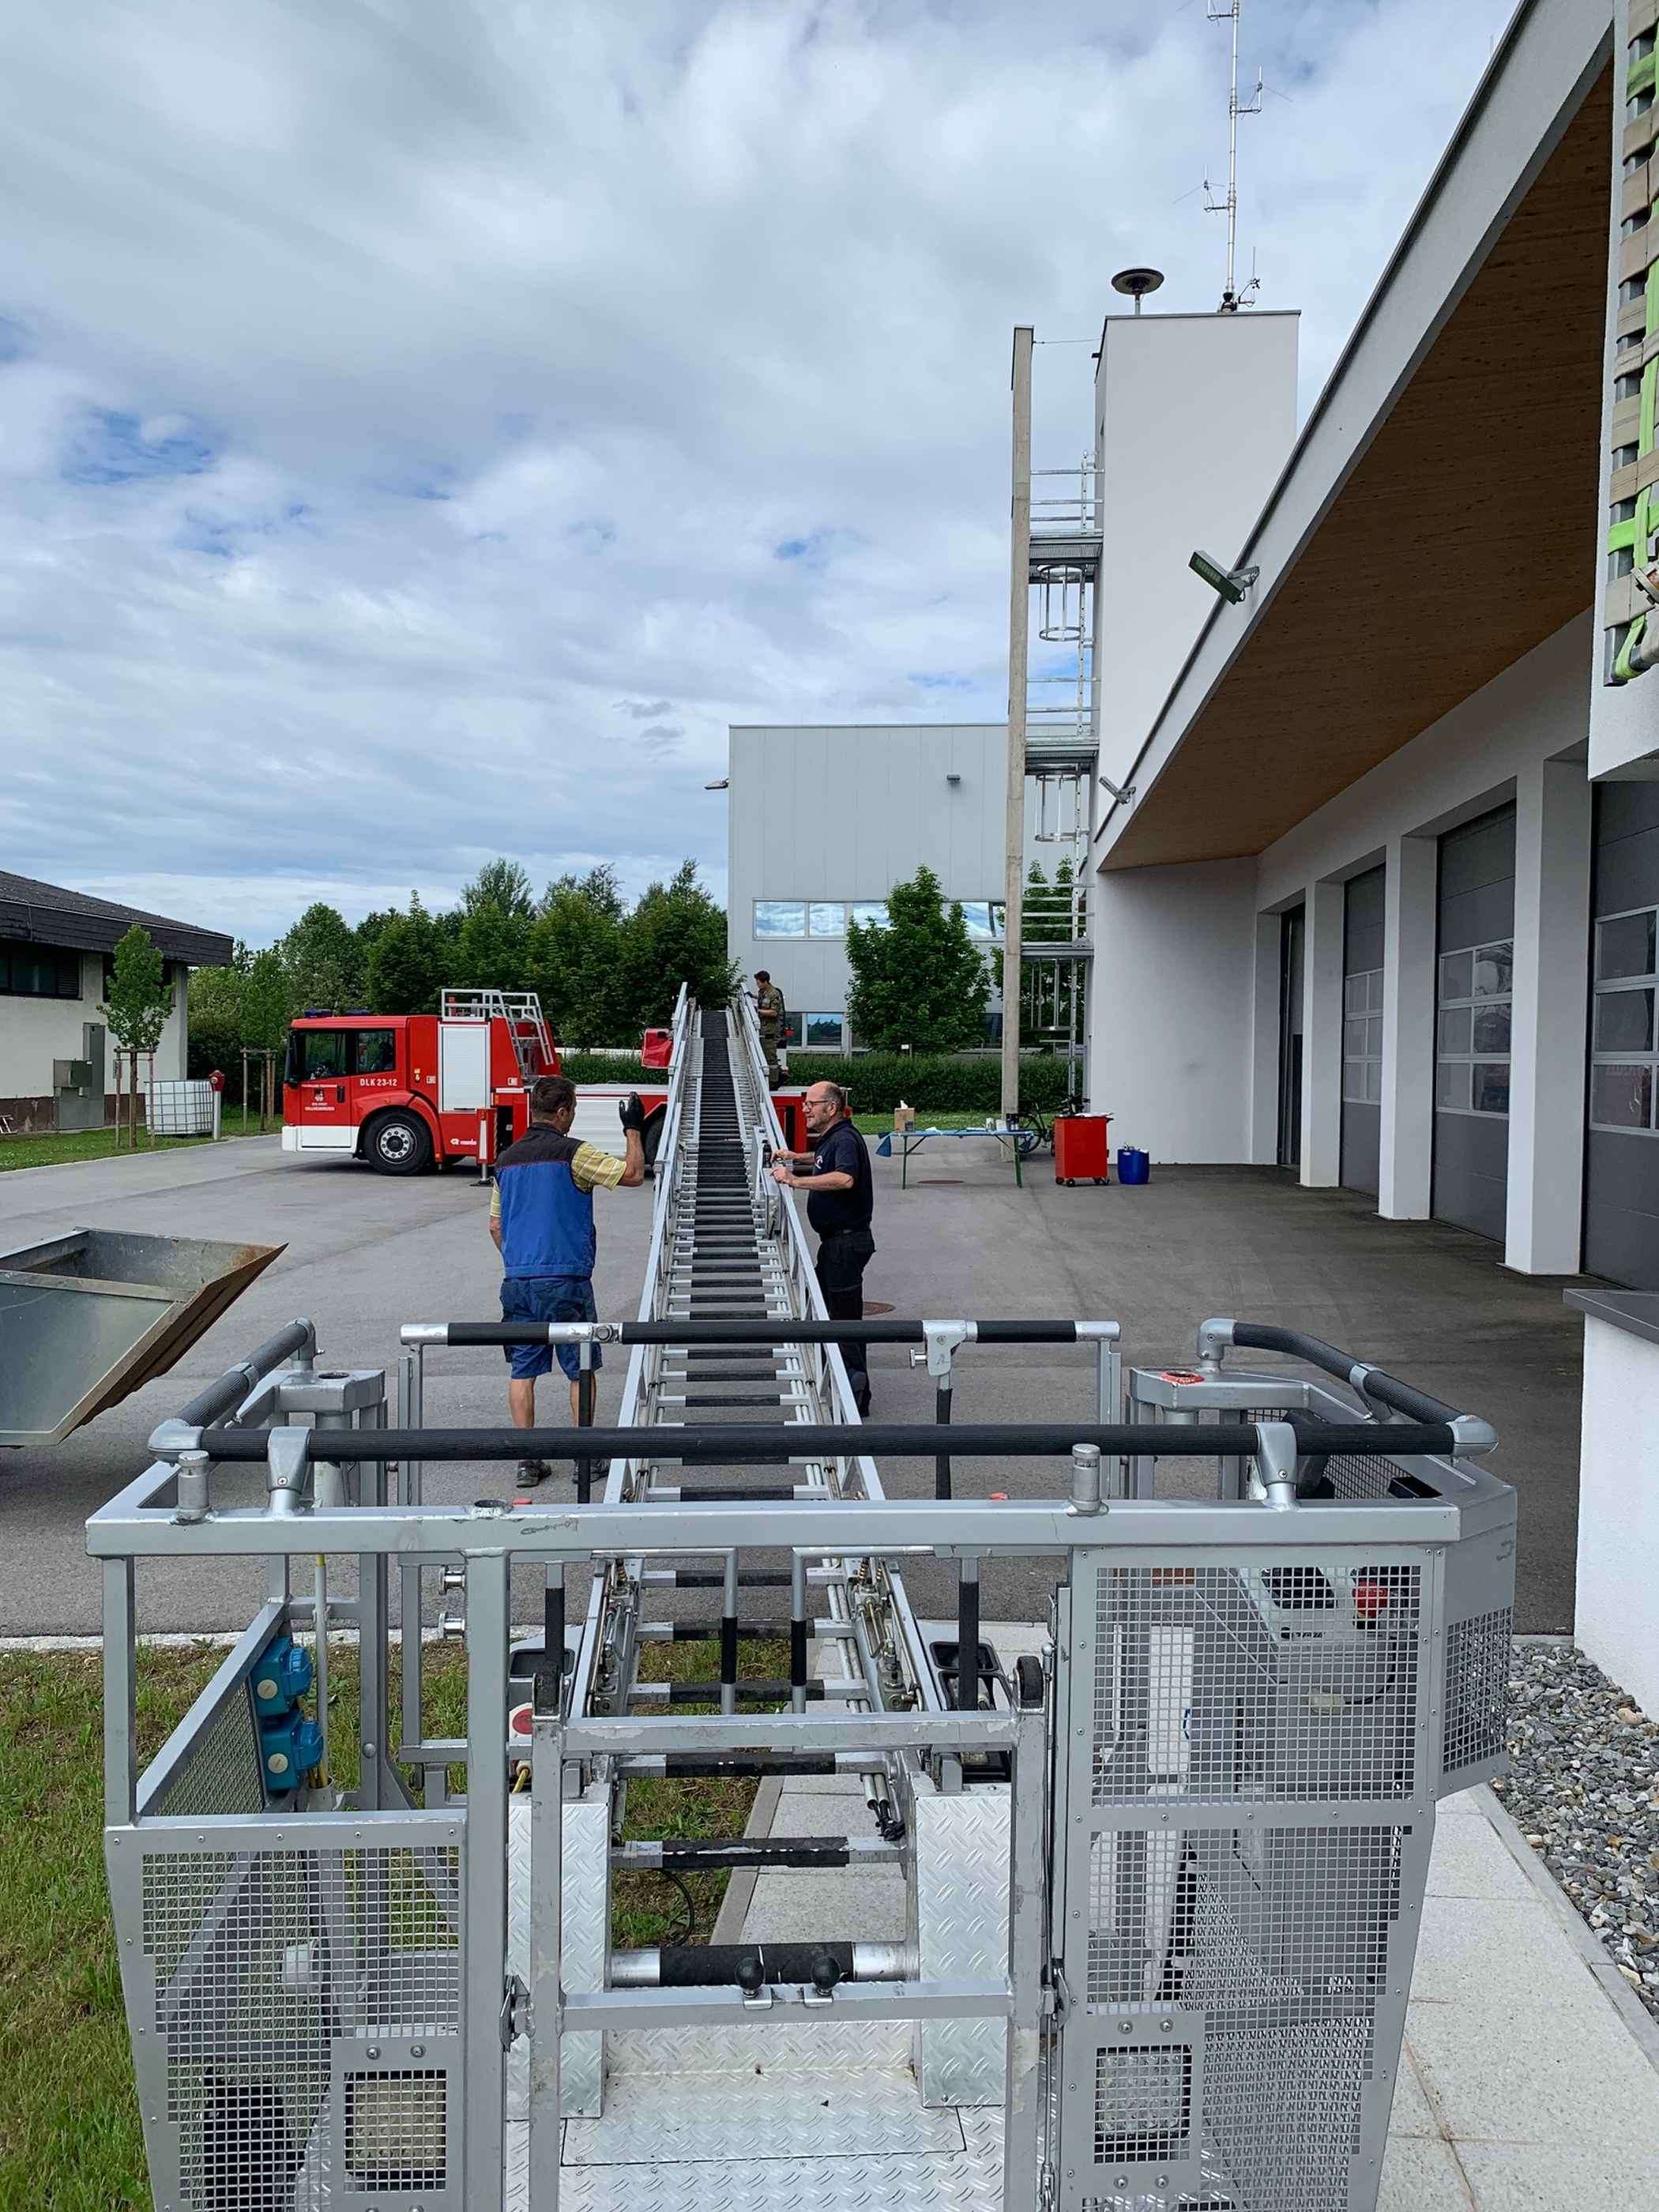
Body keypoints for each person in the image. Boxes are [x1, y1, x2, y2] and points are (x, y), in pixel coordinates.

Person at [490, 1074, 645, 1484]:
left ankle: (528, 1461)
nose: (573, 1116)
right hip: (566, 1280)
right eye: (573, 1109)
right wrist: (633, 1128)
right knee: (581, 1368)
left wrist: (521, 1261)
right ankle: (584, 1458)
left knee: (523, 1370)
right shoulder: (574, 1153)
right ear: (562, 1112)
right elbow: (633, 1174)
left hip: (518, 1281)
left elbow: (495, 1225)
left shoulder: (506, 1161)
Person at [770, 1080, 875, 1415]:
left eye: (811, 1104)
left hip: (845, 1244)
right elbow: (823, 1159)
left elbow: (845, 1178)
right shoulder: (835, 1138)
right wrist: (796, 1157)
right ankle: (846, 1384)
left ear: (831, 1108)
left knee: (844, 1322)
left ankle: (856, 1396)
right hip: (836, 1244)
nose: (805, 1109)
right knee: (825, 1310)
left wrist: (794, 1180)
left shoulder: (844, 1139)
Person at [754, 968, 787, 1085]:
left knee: (770, 1057)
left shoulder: (774, 994)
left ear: (765, 981)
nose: (757, 985)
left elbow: (774, 1012)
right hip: (763, 1030)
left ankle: (774, 1081)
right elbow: (762, 1000)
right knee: (764, 1055)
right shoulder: (762, 992)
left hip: (770, 1031)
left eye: (758, 982)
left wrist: (758, 1011)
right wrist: (752, 996)